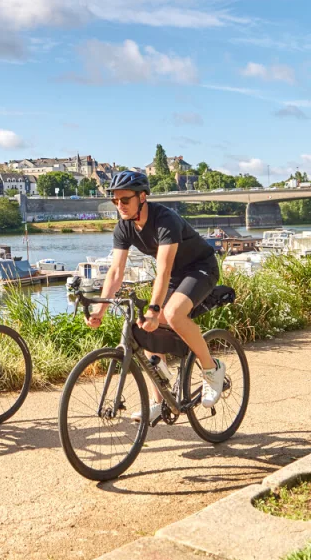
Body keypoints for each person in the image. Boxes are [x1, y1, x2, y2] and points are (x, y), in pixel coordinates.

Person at [88, 169, 225, 424]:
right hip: (175, 275)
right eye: (115, 201)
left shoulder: (165, 220)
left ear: (142, 197)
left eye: (125, 200)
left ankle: (212, 369)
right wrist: (101, 309)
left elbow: (162, 269)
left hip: (200, 268)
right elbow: (116, 271)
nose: (119, 206)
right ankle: (159, 401)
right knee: (144, 329)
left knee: (171, 314)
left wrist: (154, 310)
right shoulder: (124, 227)